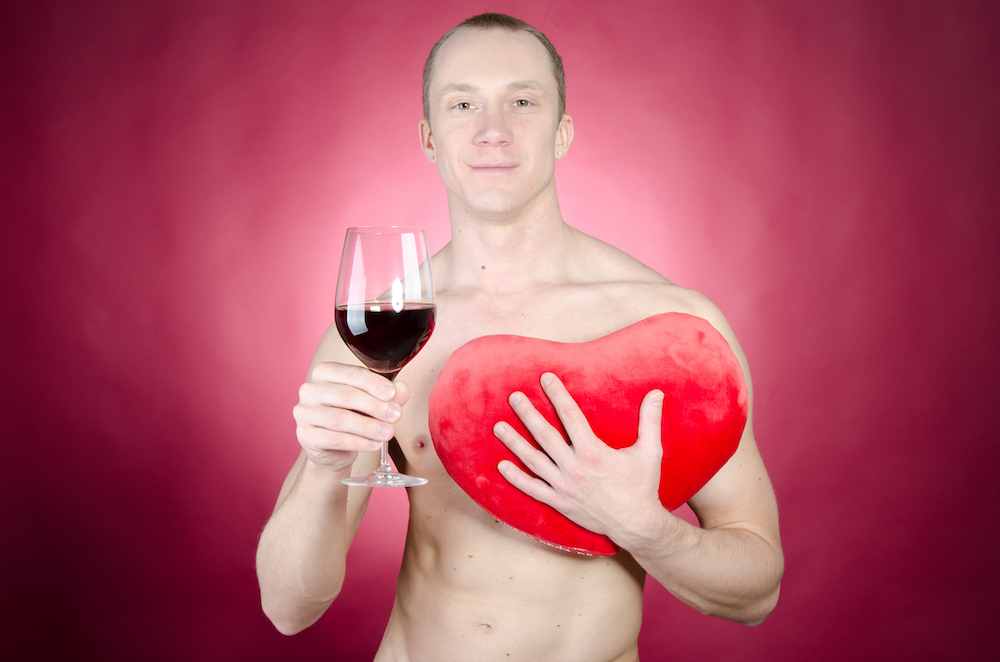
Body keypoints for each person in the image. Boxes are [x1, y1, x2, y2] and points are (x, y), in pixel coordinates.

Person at [255, 12, 783, 661]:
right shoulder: (379, 335)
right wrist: (324, 471)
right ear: (429, 137)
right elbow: (288, 607)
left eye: (523, 101)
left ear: (563, 131)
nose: (492, 129)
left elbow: (757, 591)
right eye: (463, 103)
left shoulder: (672, 327)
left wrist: (646, 530)